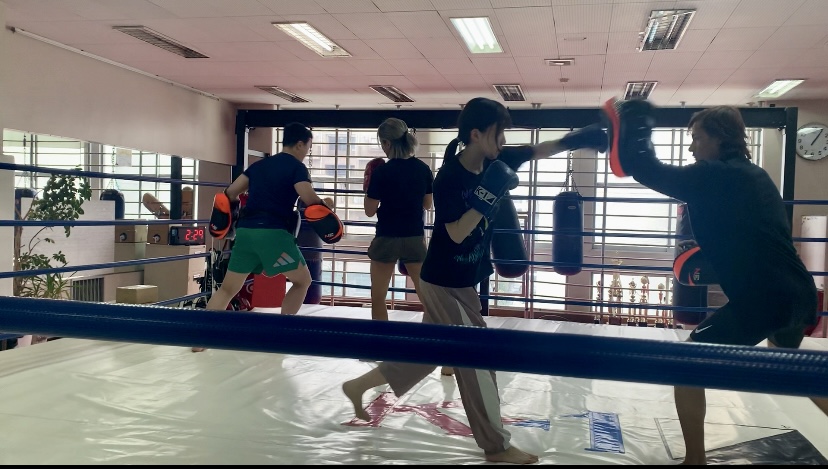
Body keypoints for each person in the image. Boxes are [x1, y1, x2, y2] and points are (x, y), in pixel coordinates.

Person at [342, 97, 608, 464]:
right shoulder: (450, 177)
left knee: (428, 354)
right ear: (477, 134)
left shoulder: (497, 160)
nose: (503, 141)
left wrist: (579, 138)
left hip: (464, 279)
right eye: (499, 133)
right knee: (477, 357)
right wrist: (486, 195)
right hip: (443, 280)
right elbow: (454, 233)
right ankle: (496, 446)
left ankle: (357, 386)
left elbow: (538, 149)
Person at [603, 100, 820, 465]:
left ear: (719, 138)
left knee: (687, 364)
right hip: (798, 293)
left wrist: (636, 125)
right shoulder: (753, 174)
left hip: (767, 298)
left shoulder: (716, 176)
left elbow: (648, 170)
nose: (692, 147)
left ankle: (695, 460)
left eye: (697, 138)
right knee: (796, 373)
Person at [192, 122, 329, 353]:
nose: (307, 152)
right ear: (299, 144)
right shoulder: (297, 167)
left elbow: (230, 192)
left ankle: (200, 339)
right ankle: (282, 334)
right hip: (273, 234)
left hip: (246, 233)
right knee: (302, 281)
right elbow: (308, 198)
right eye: (308, 147)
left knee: (227, 289)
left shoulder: (258, 166)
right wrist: (325, 208)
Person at [363, 119, 456, 375]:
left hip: (386, 237)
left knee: (378, 297)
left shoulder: (381, 171)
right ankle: (446, 356)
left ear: (386, 143)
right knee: (429, 300)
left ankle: (382, 349)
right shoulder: (422, 168)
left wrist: (370, 188)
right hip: (414, 237)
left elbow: (369, 211)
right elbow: (428, 205)